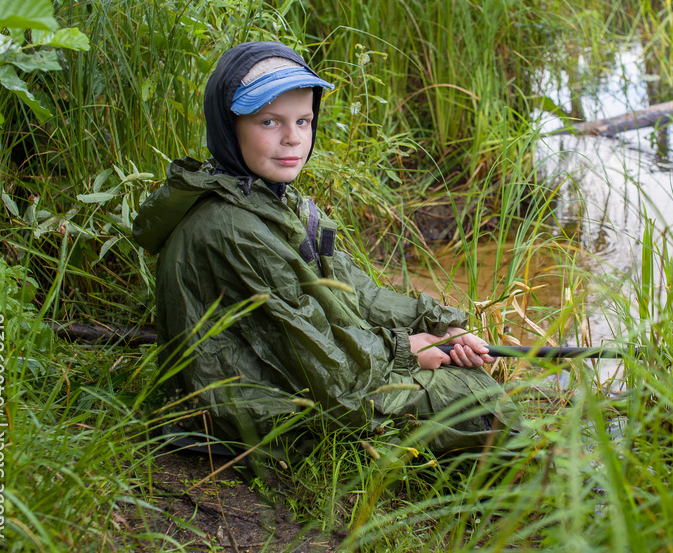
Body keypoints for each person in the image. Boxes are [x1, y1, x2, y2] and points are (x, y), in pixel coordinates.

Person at [132, 41, 519, 455]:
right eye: (268, 122)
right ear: (229, 127)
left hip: (300, 374)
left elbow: (359, 294)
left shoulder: (273, 199)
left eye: (303, 121)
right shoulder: (231, 228)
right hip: (252, 406)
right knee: (472, 399)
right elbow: (323, 368)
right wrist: (405, 351)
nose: (292, 138)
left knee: (472, 388)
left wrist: (441, 326)